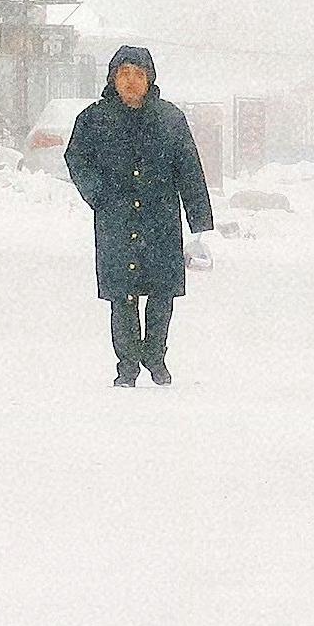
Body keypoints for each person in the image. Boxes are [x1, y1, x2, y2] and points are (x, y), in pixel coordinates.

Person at [66, 43, 212, 385]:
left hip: (160, 218)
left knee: (162, 292)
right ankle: (127, 366)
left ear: (150, 79)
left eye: (138, 74)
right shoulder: (93, 119)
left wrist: (199, 221)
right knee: (122, 294)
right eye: (124, 74)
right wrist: (98, 194)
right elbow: (77, 158)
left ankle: (156, 357)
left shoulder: (171, 119)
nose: (131, 82)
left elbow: (189, 168)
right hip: (115, 218)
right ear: (113, 78)